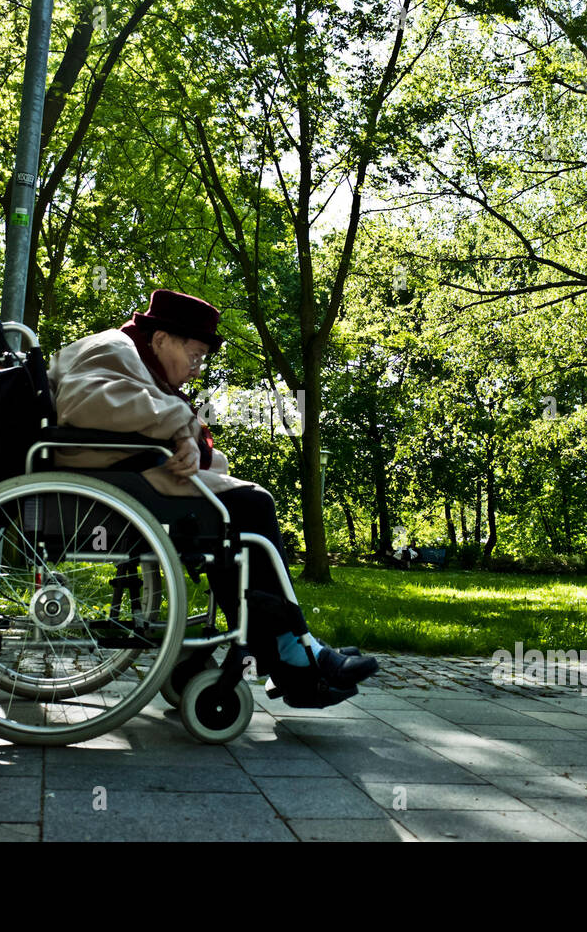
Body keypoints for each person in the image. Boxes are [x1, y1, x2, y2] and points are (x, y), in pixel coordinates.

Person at [47, 289, 379, 705]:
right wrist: (178, 421)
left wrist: (182, 434)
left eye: (202, 358)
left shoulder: (130, 355)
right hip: (113, 481)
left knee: (230, 512)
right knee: (252, 504)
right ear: (161, 338)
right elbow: (83, 403)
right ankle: (293, 651)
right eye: (194, 353)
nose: (197, 368)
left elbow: (127, 409)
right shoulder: (114, 348)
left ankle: (286, 650)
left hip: (123, 475)